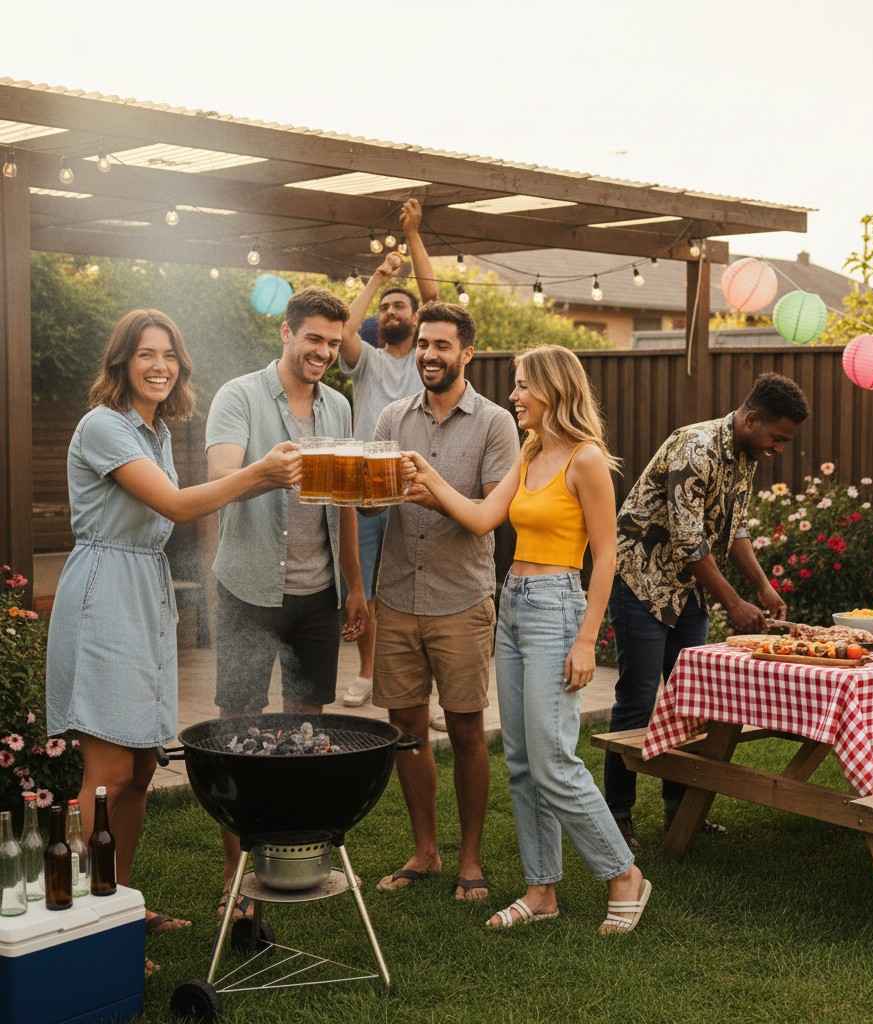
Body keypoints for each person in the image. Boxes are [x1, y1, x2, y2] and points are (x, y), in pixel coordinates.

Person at [45, 309, 301, 972]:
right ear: (121, 362)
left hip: (143, 593)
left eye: (169, 355)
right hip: (106, 594)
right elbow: (178, 506)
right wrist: (260, 474)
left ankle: (120, 901)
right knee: (106, 773)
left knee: (137, 771)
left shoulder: (154, 430)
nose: (159, 366)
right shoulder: (104, 426)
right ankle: (90, 925)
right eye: (145, 354)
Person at [404, 345, 652, 935]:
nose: (513, 396)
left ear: (551, 389)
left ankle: (624, 874)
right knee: (520, 761)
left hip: (557, 608)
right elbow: (482, 517)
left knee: (553, 759)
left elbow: (607, 557)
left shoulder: (587, 460)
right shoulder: (533, 449)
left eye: (522, 386)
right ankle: (541, 890)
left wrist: (587, 641)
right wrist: (428, 477)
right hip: (514, 604)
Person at [205, 287, 368, 919]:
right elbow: (220, 480)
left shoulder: (338, 407)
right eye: (314, 339)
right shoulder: (239, 396)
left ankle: (297, 854)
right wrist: (266, 472)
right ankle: (235, 872)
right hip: (246, 588)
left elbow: (344, 503)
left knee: (307, 728)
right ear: (286, 333)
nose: (324, 352)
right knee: (237, 729)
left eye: (334, 342)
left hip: (317, 594)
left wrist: (355, 587)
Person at [604, 372, 809, 848]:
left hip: (687, 589)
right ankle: (617, 815)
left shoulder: (745, 456)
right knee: (638, 699)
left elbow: (734, 531)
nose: (779, 448)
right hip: (642, 582)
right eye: (777, 437)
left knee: (691, 700)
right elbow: (688, 540)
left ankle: (681, 811)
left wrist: (763, 588)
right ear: (751, 419)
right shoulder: (694, 448)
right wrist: (733, 603)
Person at [372, 301, 519, 903]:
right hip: (397, 596)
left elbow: (491, 514)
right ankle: (425, 850)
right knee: (406, 729)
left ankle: (472, 858)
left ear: (467, 354)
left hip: (460, 599)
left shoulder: (495, 424)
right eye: (423, 345)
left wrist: (433, 493)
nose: (429, 355)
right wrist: (361, 492)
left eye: (441, 345)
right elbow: (372, 499)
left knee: (465, 729)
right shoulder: (391, 417)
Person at [336, 199, 439, 711]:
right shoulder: (368, 362)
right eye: (386, 308)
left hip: (417, 485)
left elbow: (435, 297)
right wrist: (379, 277)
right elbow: (344, 332)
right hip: (366, 488)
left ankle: (426, 686)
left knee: (421, 582)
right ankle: (367, 671)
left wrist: (414, 236)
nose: (392, 312)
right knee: (364, 584)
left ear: (416, 319)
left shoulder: (427, 360)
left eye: (401, 306)